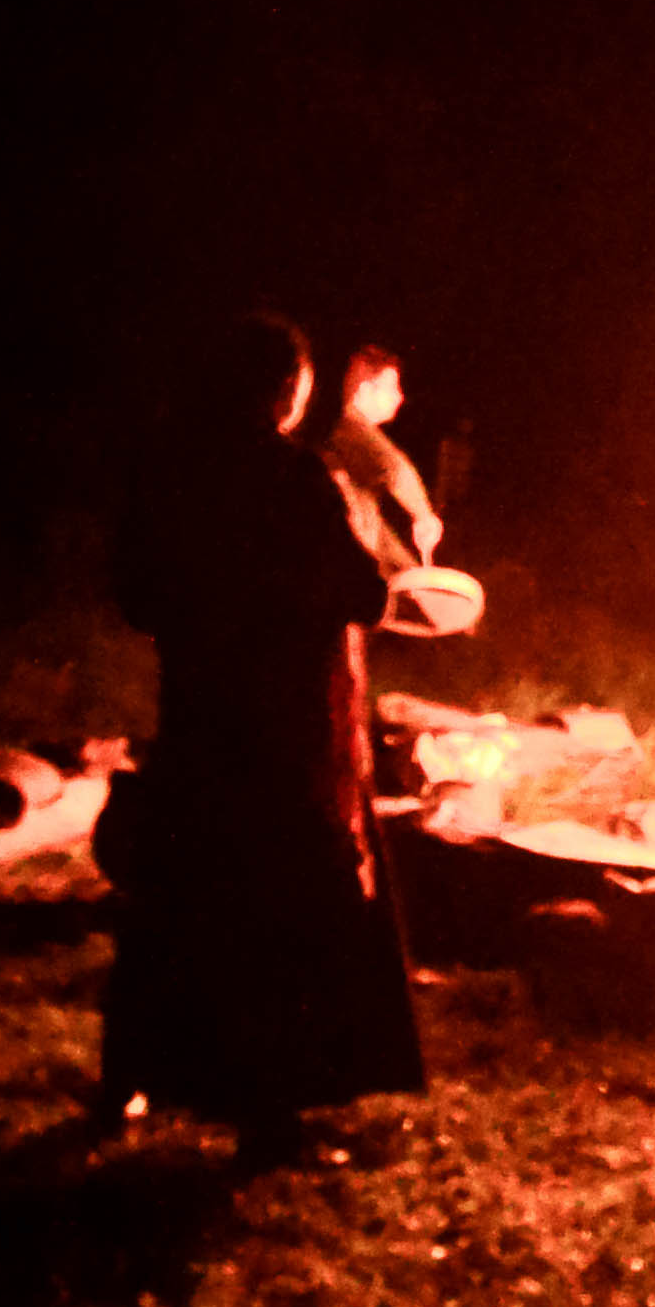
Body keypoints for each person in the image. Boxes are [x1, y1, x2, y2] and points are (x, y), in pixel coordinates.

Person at [97, 308, 424, 1151]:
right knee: (277, 910)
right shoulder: (288, 479)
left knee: (178, 895)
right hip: (280, 731)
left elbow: (135, 592)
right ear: (282, 390)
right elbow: (359, 590)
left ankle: (128, 1077)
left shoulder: (168, 474)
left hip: (199, 718)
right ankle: (267, 1109)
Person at [318, 343, 443, 586]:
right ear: (366, 390)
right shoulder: (349, 429)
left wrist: (413, 574)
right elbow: (395, 469)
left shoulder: (349, 450)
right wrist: (424, 516)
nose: (400, 396)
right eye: (393, 387)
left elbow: (378, 535)